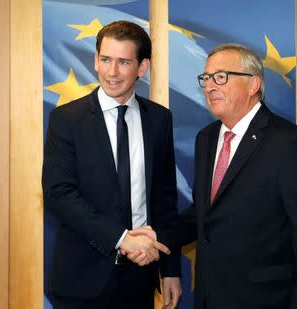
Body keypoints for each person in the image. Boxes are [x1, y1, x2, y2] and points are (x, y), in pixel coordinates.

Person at [130, 43, 297, 309]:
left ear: (253, 85)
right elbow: (202, 215)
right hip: (209, 297)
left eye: (221, 77)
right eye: (206, 78)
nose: (210, 86)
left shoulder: (288, 144)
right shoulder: (207, 138)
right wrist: (155, 238)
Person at [42, 21, 182, 309]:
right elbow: (59, 196)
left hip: (139, 281)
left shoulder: (159, 120)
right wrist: (121, 239)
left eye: (123, 62)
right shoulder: (66, 119)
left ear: (142, 68)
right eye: (105, 59)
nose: (111, 72)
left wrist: (170, 271)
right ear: (95, 60)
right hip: (81, 282)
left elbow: (165, 200)